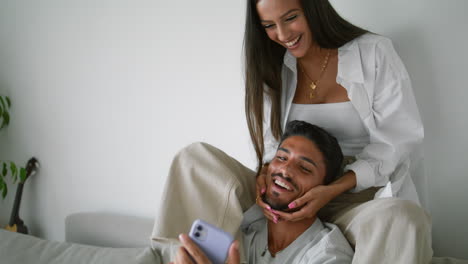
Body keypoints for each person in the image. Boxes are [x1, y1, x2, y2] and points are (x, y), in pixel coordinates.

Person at [243, 0, 432, 263]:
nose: (283, 35)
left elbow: (398, 141)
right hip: (290, 189)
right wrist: (264, 173)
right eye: (269, 25)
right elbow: (270, 143)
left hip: (358, 197)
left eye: (290, 18)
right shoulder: (271, 64)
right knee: (196, 161)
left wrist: (332, 189)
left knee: (404, 218)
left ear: (313, 8)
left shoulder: (373, 52)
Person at [170, 120, 354, 264]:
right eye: (281, 157)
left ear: (324, 191)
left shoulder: (329, 255)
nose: (285, 170)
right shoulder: (240, 230)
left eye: (305, 168)